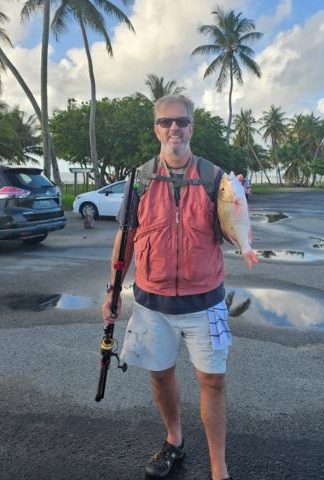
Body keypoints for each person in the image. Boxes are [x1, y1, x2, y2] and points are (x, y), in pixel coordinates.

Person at [102, 94, 244, 480]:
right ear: (156, 130)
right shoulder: (140, 179)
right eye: (165, 122)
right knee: (160, 375)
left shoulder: (215, 178)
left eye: (181, 121)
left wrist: (240, 210)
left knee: (212, 381)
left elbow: (235, 234)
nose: (174, 128)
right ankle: (174, 440)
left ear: (191, 127)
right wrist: (112, 291)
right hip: (152, 303)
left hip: (205, 301)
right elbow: (126, 236)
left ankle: (218, 467)